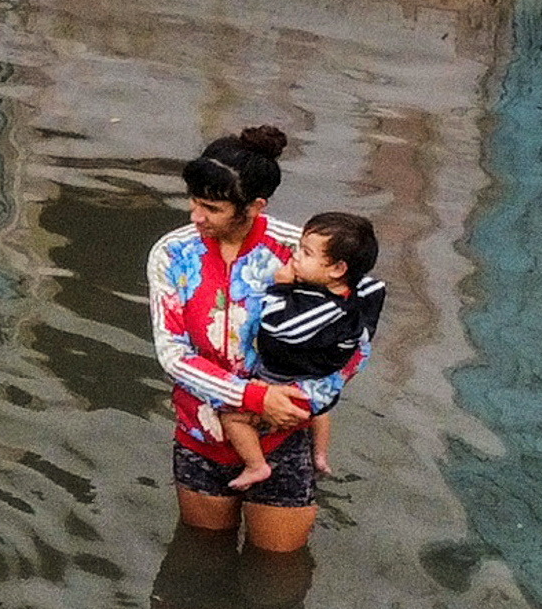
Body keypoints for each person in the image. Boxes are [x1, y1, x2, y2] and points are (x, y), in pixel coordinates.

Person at [146, 128, 366, 553]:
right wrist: (252, 397)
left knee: (278, 578)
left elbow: (354, 340)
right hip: (201, 436)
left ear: (255, 206)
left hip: (283, 433)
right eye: (193, 201)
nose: (195, 216)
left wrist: (301, 400)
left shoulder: (298, 251)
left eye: (211, 207)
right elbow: (173, 353)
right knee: (200, 565)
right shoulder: (171, 254)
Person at [220, 211, 382, 491]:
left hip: (291, 383)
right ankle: (319, 455)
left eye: (305, 253)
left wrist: (281, 289)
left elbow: (277, 326)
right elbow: (375, 287)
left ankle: (256, 465)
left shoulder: (325, 311)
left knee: (230, 415)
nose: (294, 256)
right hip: (320, 378)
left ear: (337, 269)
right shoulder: (354, 292)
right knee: (321, 411)